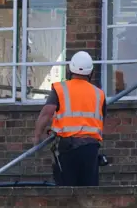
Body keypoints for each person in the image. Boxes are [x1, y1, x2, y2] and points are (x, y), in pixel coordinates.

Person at [33, 51, 107, 186]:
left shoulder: (60, 89)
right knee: (89, 193)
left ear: (69, 69)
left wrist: (37, 138)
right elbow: (99, 119)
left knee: (66, 192)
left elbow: (46, 113)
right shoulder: (99, 94)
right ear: (91, 72)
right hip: (90, 149)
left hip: (67, 149)